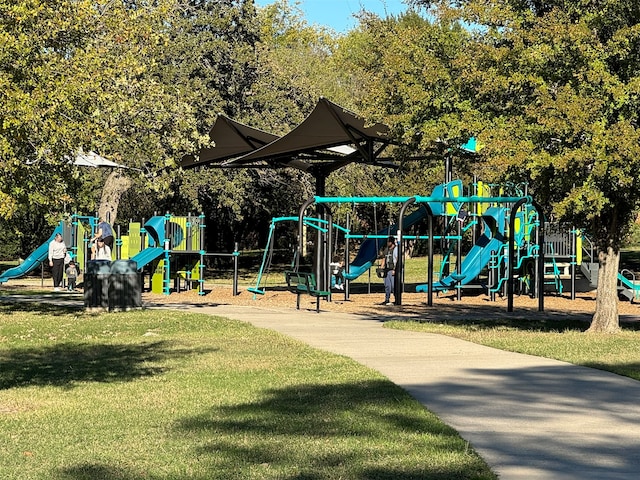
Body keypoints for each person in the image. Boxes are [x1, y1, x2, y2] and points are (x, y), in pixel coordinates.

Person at [379, 236, 398, 306]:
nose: (387, 243)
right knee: (387, 285)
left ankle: (397, 299)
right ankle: (387, 299)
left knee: (393, 286)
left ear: (391, 242)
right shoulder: (386, 250)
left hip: (392, 269)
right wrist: (381, 268)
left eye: (388, 242)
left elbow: (397, 259)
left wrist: (395, 269)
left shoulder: (395, 249)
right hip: (387, 270)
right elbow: (384, 258)